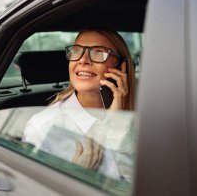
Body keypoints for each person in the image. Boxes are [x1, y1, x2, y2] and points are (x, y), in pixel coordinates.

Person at [22, 28, 136, 182]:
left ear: (121, 66)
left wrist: (119, 126)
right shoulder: (42, 126)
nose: (83, 60)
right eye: (76, 51)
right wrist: (76, 177)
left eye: (98, 53)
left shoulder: (137, 117)